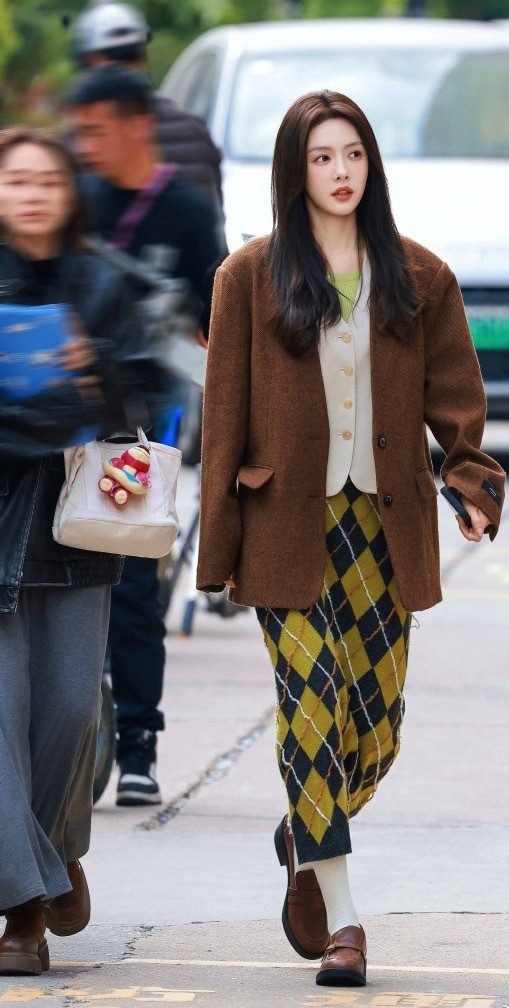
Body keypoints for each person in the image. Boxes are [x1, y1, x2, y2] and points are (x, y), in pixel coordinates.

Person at [197, 91, 506, 988]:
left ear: (372, 164)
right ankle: (345, 920)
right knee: (311, 702)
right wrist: (219, 546)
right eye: (322, 157)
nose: (341, 172)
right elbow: (223, 422)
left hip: (382, 525)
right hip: (281, 527)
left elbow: (458, 400)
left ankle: (306, 830)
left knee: (375, 731)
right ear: (294, 171)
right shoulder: (247, 276)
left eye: (354, 154)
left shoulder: (420, 275)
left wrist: (471, 484)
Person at [0, 127, 157, 975]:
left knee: (68, 714)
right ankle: (24, 912)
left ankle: (55, 856)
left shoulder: (103, 284)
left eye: (46, 180)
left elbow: (142, 399)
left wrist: (89, 374)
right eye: (15, 180)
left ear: (68, 195)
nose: (30, 194)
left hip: (78, 532)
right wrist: (55, 408)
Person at [66, 64, 226, 807]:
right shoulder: (78, 199)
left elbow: (215, 318)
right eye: (79, 132)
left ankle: (138, 745)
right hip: (67, 422)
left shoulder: (186, 213)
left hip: (139, 428)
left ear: (137, 126)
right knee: (63, 582)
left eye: (97, 130)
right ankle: (75, 740)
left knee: (132, 583)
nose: (86, 145)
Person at [69, 0, 225, 228]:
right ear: (142, 57)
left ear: (92, 61)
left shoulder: (78, 138)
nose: (88, 147)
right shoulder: (192, 128)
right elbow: (214, 220)